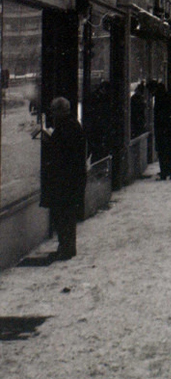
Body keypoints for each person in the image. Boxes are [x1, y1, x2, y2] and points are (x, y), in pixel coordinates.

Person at [39, 97, 87, 261]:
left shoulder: (65, 128)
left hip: (65, 181)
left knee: (63, 215)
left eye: (53, 111)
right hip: (72, 179)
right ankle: (67, 247)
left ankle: (65, 247)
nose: (52, 114)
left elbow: (62, 153)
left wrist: (48, 141)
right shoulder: (73, 125)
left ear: (60, 112)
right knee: (67, 215)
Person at [153, 82, 171, 180]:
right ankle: (170, 170)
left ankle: (168, 170)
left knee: (164, 151)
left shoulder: (161, 99)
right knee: (167, 151)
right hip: (167, 130)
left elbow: (161, 115)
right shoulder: (168, 98)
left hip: (163, 130)